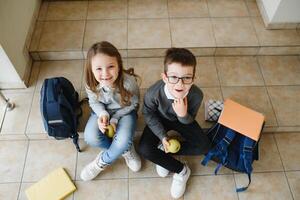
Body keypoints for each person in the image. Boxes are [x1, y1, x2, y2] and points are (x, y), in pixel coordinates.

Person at [138, 48, 210, 199]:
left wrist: (182, 114)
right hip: (159, 119)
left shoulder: (196, 95)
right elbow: (148, 114)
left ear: (193, 78)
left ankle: (166, 152)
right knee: (144, 149)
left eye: (186, 78)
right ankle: (181, 170)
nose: (180, 83)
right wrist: (162, 136)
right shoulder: (153, 93)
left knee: (205, 146)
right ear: (164, 77)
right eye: (174, 77)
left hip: (182, 119)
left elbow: (191, 120)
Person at [80, 41, 141, 181]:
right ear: (91, 69)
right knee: (90, 137)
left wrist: (115, 119)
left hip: (125, 111)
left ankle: (100, 162)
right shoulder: (91, 82)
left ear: (119, 65)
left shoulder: (129, 83)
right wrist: (102, 114)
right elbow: (93, 102)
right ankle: (124, 149)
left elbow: (134, 104)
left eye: (111, 66)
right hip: (102, 111)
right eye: (99, 69)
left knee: (123, 139)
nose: (105, 74)